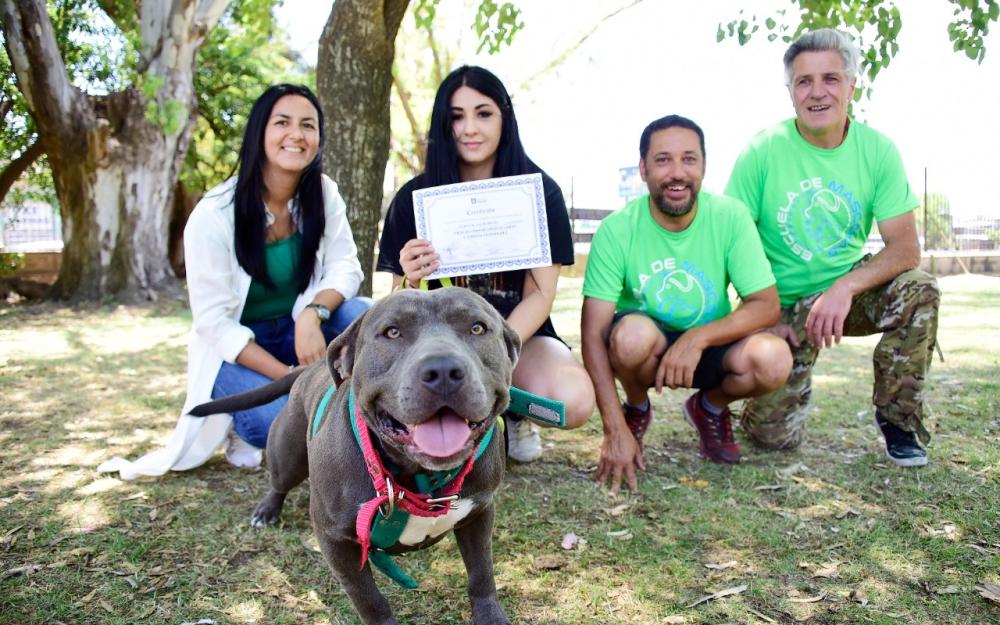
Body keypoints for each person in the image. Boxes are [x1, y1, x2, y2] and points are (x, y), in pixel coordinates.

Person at [100, 83, 370, 480]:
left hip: (299, 328)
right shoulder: (214, 214)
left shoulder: (324, 194)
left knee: (363, 315)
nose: (296, 134)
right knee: (275, 423)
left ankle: (370, 419)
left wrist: (312, 315)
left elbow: (346, 266)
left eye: (308, 125)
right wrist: (287, 377)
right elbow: (213, 323)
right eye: (283, 122)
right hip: (239, 348)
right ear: (259, 132)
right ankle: (237, 422)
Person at [725, 29, 940, 466]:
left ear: (851, 85)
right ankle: (752, 408)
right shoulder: (764, 149)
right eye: (804, 81)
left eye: (830, 78)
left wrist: (843, 288)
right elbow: (729, 243)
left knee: (921, 288)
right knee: (772, 439)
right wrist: (757, 316)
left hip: (847, 296)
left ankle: (899, 420)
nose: (817, 92)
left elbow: (905, 249)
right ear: (790, 91)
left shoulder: (877, 150)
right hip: (781, 304)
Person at [377, 65, 595, 462]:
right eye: (456, 116)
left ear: (504, 117)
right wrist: (409, 278)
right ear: (443, 124)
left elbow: (541, 294)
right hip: (434, 340)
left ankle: (508, 411)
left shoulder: (540, 193)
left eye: (483, 113)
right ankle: (440, 425)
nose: (470, 128)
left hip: (518, 336)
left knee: (573, 402)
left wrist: (489, 353)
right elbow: (395, 308)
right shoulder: (414, 198)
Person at [582, 115, 793, 494]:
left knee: (773, 359)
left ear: (704, 167)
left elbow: (766, 305)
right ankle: (636, 409)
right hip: (648, 351)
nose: (677, 172)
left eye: (689, 159)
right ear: (643, 169)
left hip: (711, 347)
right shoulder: (617, 229)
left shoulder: (730, 217)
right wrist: (613, 428)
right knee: (628, 337)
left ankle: (709, 407)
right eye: (663, 160)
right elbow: (593, 334)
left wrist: (696, 339)